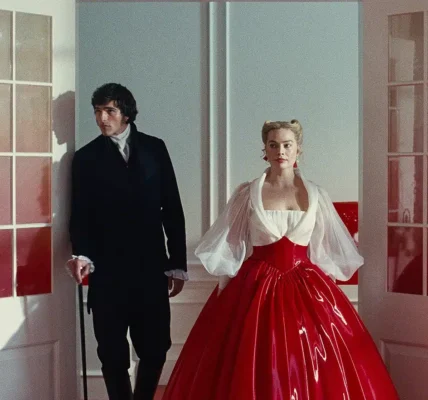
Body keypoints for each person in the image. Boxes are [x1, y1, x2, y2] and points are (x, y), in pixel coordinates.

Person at [162, 120, 399, 399]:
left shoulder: (317, 194)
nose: (280, 151)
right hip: (254, 286)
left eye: (287, 145)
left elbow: (325, 246)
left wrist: (330, 297)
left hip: (307, 285)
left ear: (299, 149)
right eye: (273, 145)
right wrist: (224, 290)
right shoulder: (247, 193)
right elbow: (231, 241)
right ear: (265, 150)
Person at [67, 83, 188, 400]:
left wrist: (177, 263)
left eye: (109, 111)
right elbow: (79, 213)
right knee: (111, 352)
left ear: (126, 113)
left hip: (151, 267)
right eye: (97, 111)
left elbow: (172, 208)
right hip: (107, 270)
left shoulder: (155, 149)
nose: (101, 118)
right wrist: (81, 254)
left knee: (155, 347)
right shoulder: (85, 158)